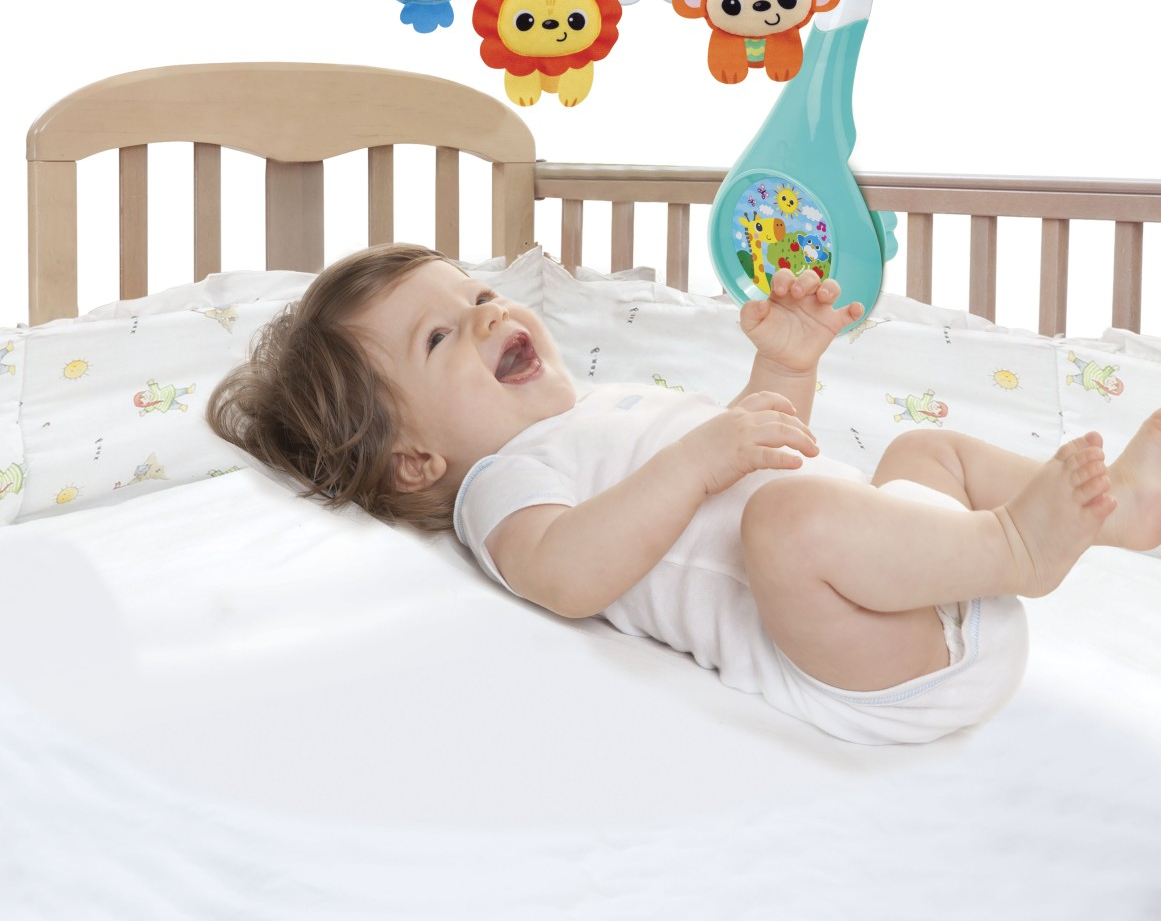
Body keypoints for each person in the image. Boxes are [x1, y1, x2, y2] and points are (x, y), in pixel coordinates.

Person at [207, 243, 1161, 745]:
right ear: (415, 461)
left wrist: (782, 371)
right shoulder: (500, 484)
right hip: (870, 667)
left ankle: (1117, 511)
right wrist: (698, 461)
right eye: (439, 337)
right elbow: (564, 574)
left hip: (917, 581)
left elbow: (761, 452)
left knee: (919, 449)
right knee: (786, 521)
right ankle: (1018, 548)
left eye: (478, 295)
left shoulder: (604, 406)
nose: (488, 315)